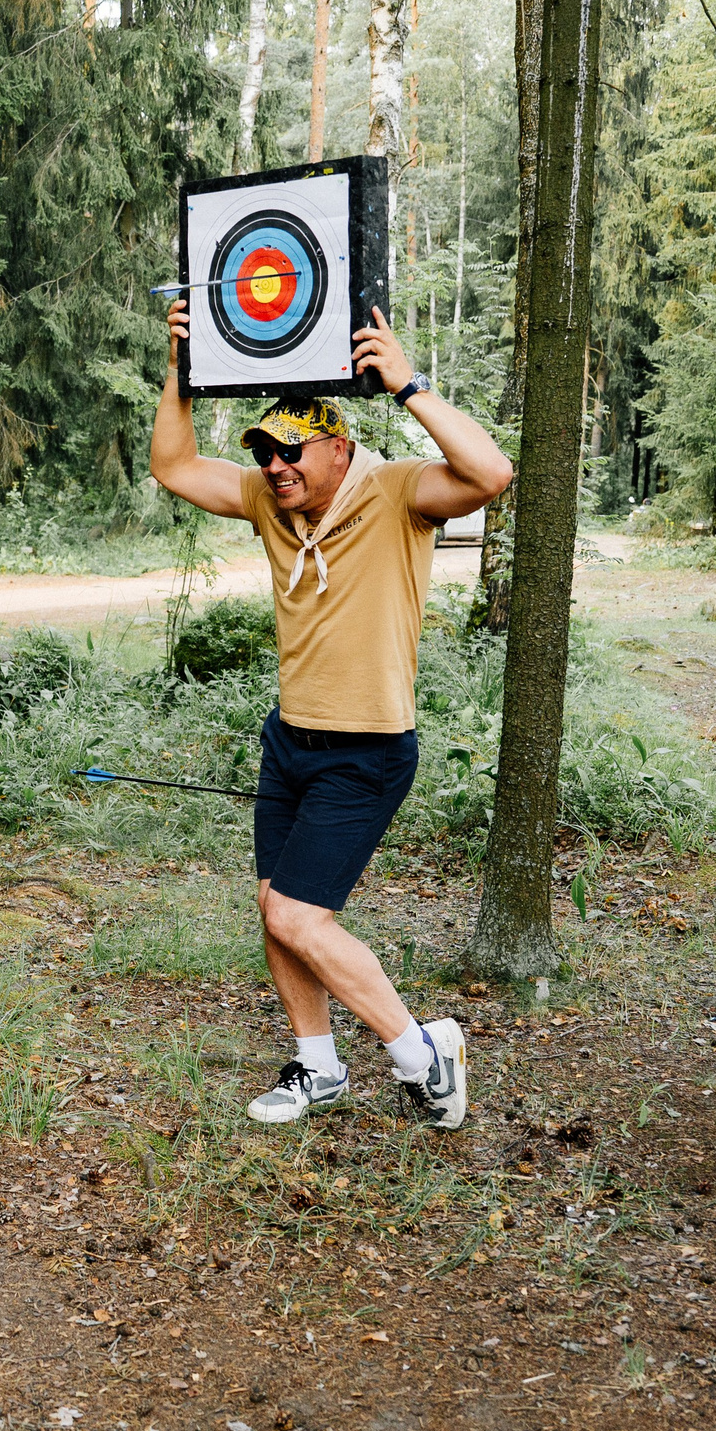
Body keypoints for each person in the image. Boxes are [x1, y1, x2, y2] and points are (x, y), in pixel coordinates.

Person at [149, 300, 512, 1131]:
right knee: (276, 903)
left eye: (291, 450)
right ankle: (319, 1067)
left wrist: (410, 384)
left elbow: (490, 474)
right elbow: (173, 464)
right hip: (291, 740)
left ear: (340, 447)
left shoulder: (395, 492)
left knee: (296, 915)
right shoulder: (265, 501)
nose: (274, 465)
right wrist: (179, 368)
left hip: (368, 747)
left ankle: (423, 1053)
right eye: (264, 451)